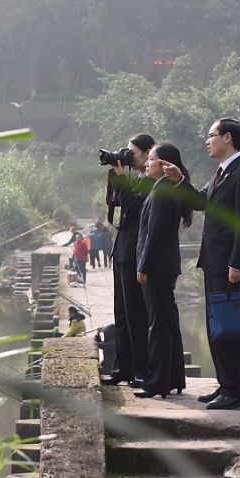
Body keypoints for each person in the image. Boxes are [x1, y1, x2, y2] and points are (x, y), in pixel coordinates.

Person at [162, 118, 240, 411]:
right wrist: (179, 180)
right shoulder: (221, 173)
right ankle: (224, 385)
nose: (207, 140)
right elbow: (200, 201)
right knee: (217, 326)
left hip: (229, 265)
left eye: (211, 135)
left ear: (227, 138)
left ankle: (234, 391)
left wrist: (238, 264)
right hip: (213, 262)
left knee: (229, 327)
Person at [134, 143, 191, 399]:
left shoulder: (163, 192)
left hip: (157, 268)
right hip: (164, 266)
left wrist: (143, 266)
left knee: (158, 326)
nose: (146, 162)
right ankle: (173, 377)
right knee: (168, 324)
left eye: (151, 159)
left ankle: (157, 382)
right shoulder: (162, 189)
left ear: (165, 164)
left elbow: (153, 235)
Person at [102, 134, 155, 389]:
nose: (127, 156)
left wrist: (122, 179)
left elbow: (135, 209)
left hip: (136, 252)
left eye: (131, 152)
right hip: (122, 250)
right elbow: (118, 203)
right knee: (121, 314)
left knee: (136, 315)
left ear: (146, 153)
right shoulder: (136, 179)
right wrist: (115, 177)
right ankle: (122, 368)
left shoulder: (152, 180)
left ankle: (142, 370)